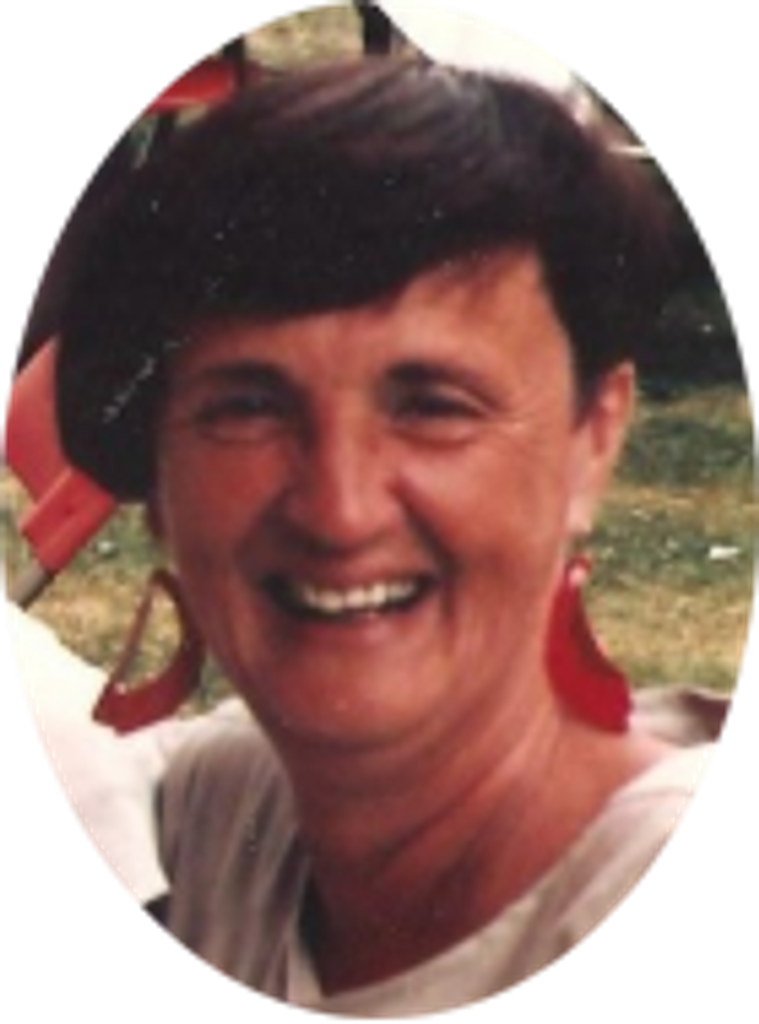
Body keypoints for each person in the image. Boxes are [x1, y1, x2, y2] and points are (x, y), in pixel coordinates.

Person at [22, 56, 730, 1015]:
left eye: (432, 406)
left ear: (592, 439)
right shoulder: (217, 827)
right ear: (155, 478)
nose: (339, 509)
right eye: (248, 406)